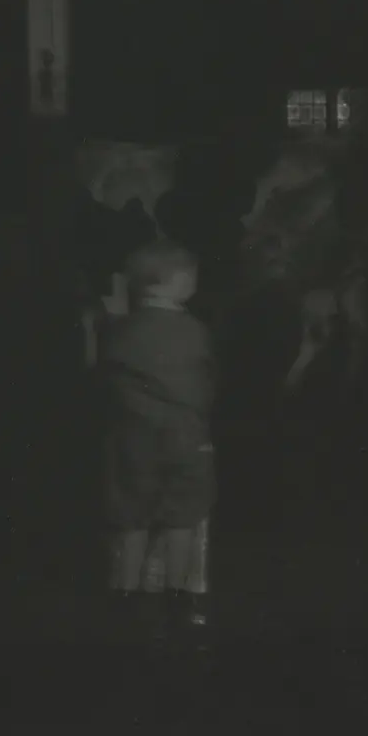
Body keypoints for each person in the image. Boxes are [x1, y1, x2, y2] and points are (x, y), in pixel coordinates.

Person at [99, 239, 217, 637]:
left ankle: (125, 596)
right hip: (185, 439)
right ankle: (178, 596)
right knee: (182, 519)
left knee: (132, 520)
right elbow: (203, 389)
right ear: (177, 282)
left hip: (133, 440)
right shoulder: (194, 332)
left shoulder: (121, 330)